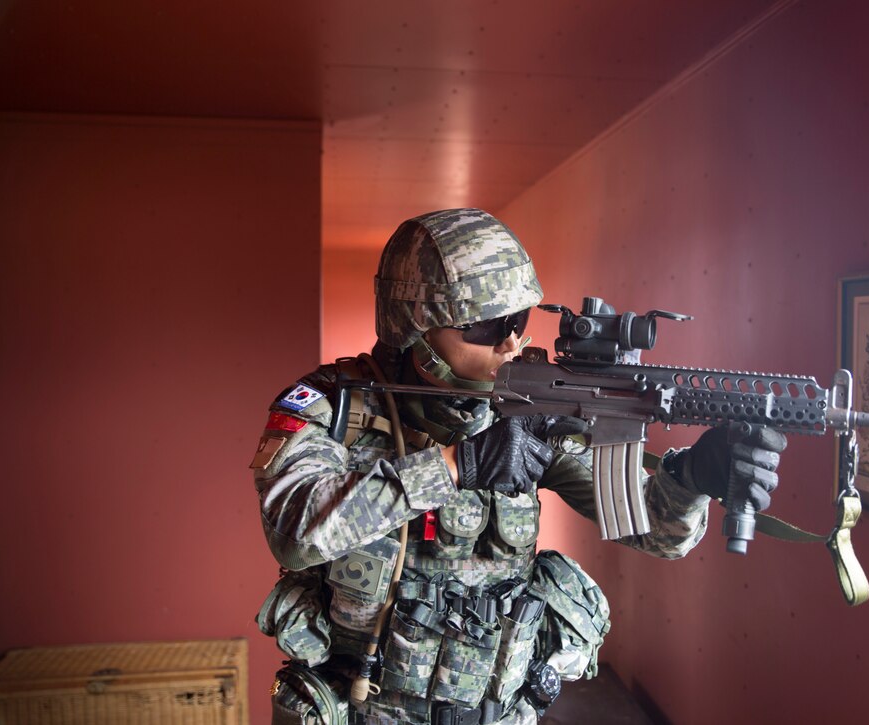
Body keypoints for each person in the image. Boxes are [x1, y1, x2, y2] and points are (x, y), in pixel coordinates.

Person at [250, 208, 786, 724]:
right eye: (485, 325)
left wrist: (693, 478)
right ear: (415, 325)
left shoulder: (526, 413)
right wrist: (454, 466)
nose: (510, 340)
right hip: (362, 711)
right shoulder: (332, 405)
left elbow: (652, 529)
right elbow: (295, 531)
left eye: (518, 319)